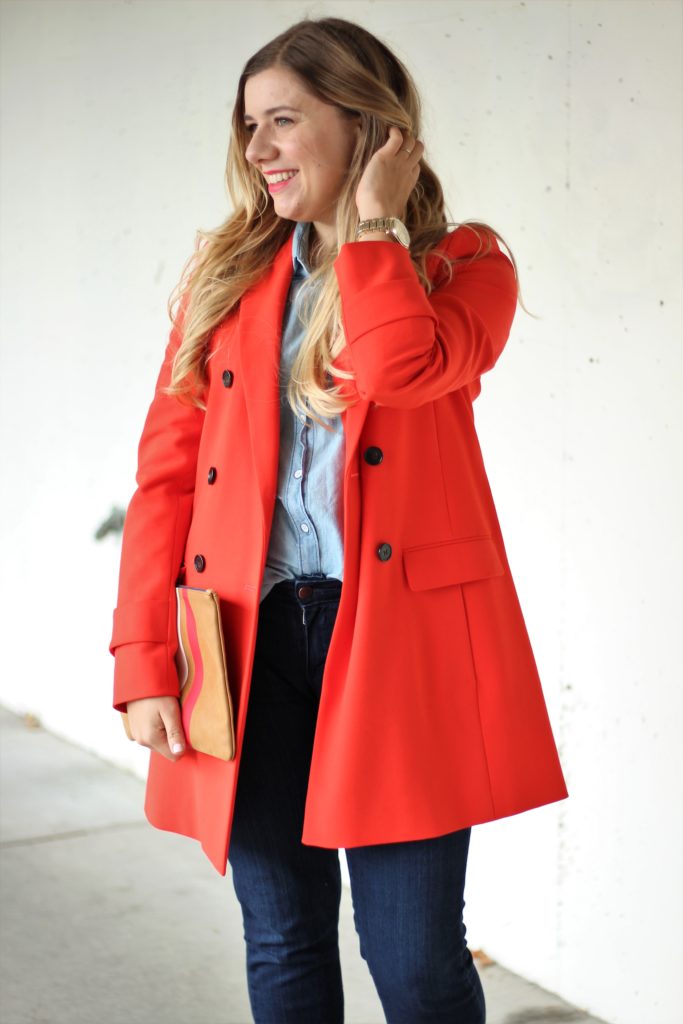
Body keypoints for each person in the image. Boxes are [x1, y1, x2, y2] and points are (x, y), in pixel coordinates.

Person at [110, 15, 568, 1024]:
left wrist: (374, 230)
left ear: (367, 126)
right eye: (247, 127)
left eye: (283, 120)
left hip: (394, 646)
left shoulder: (461, 266)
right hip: (247, 637)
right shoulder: (226, 279)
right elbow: (166, 480)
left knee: (410, 961)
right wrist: (146, 658)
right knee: (280, 939)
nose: (257, 148)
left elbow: (405, 367)